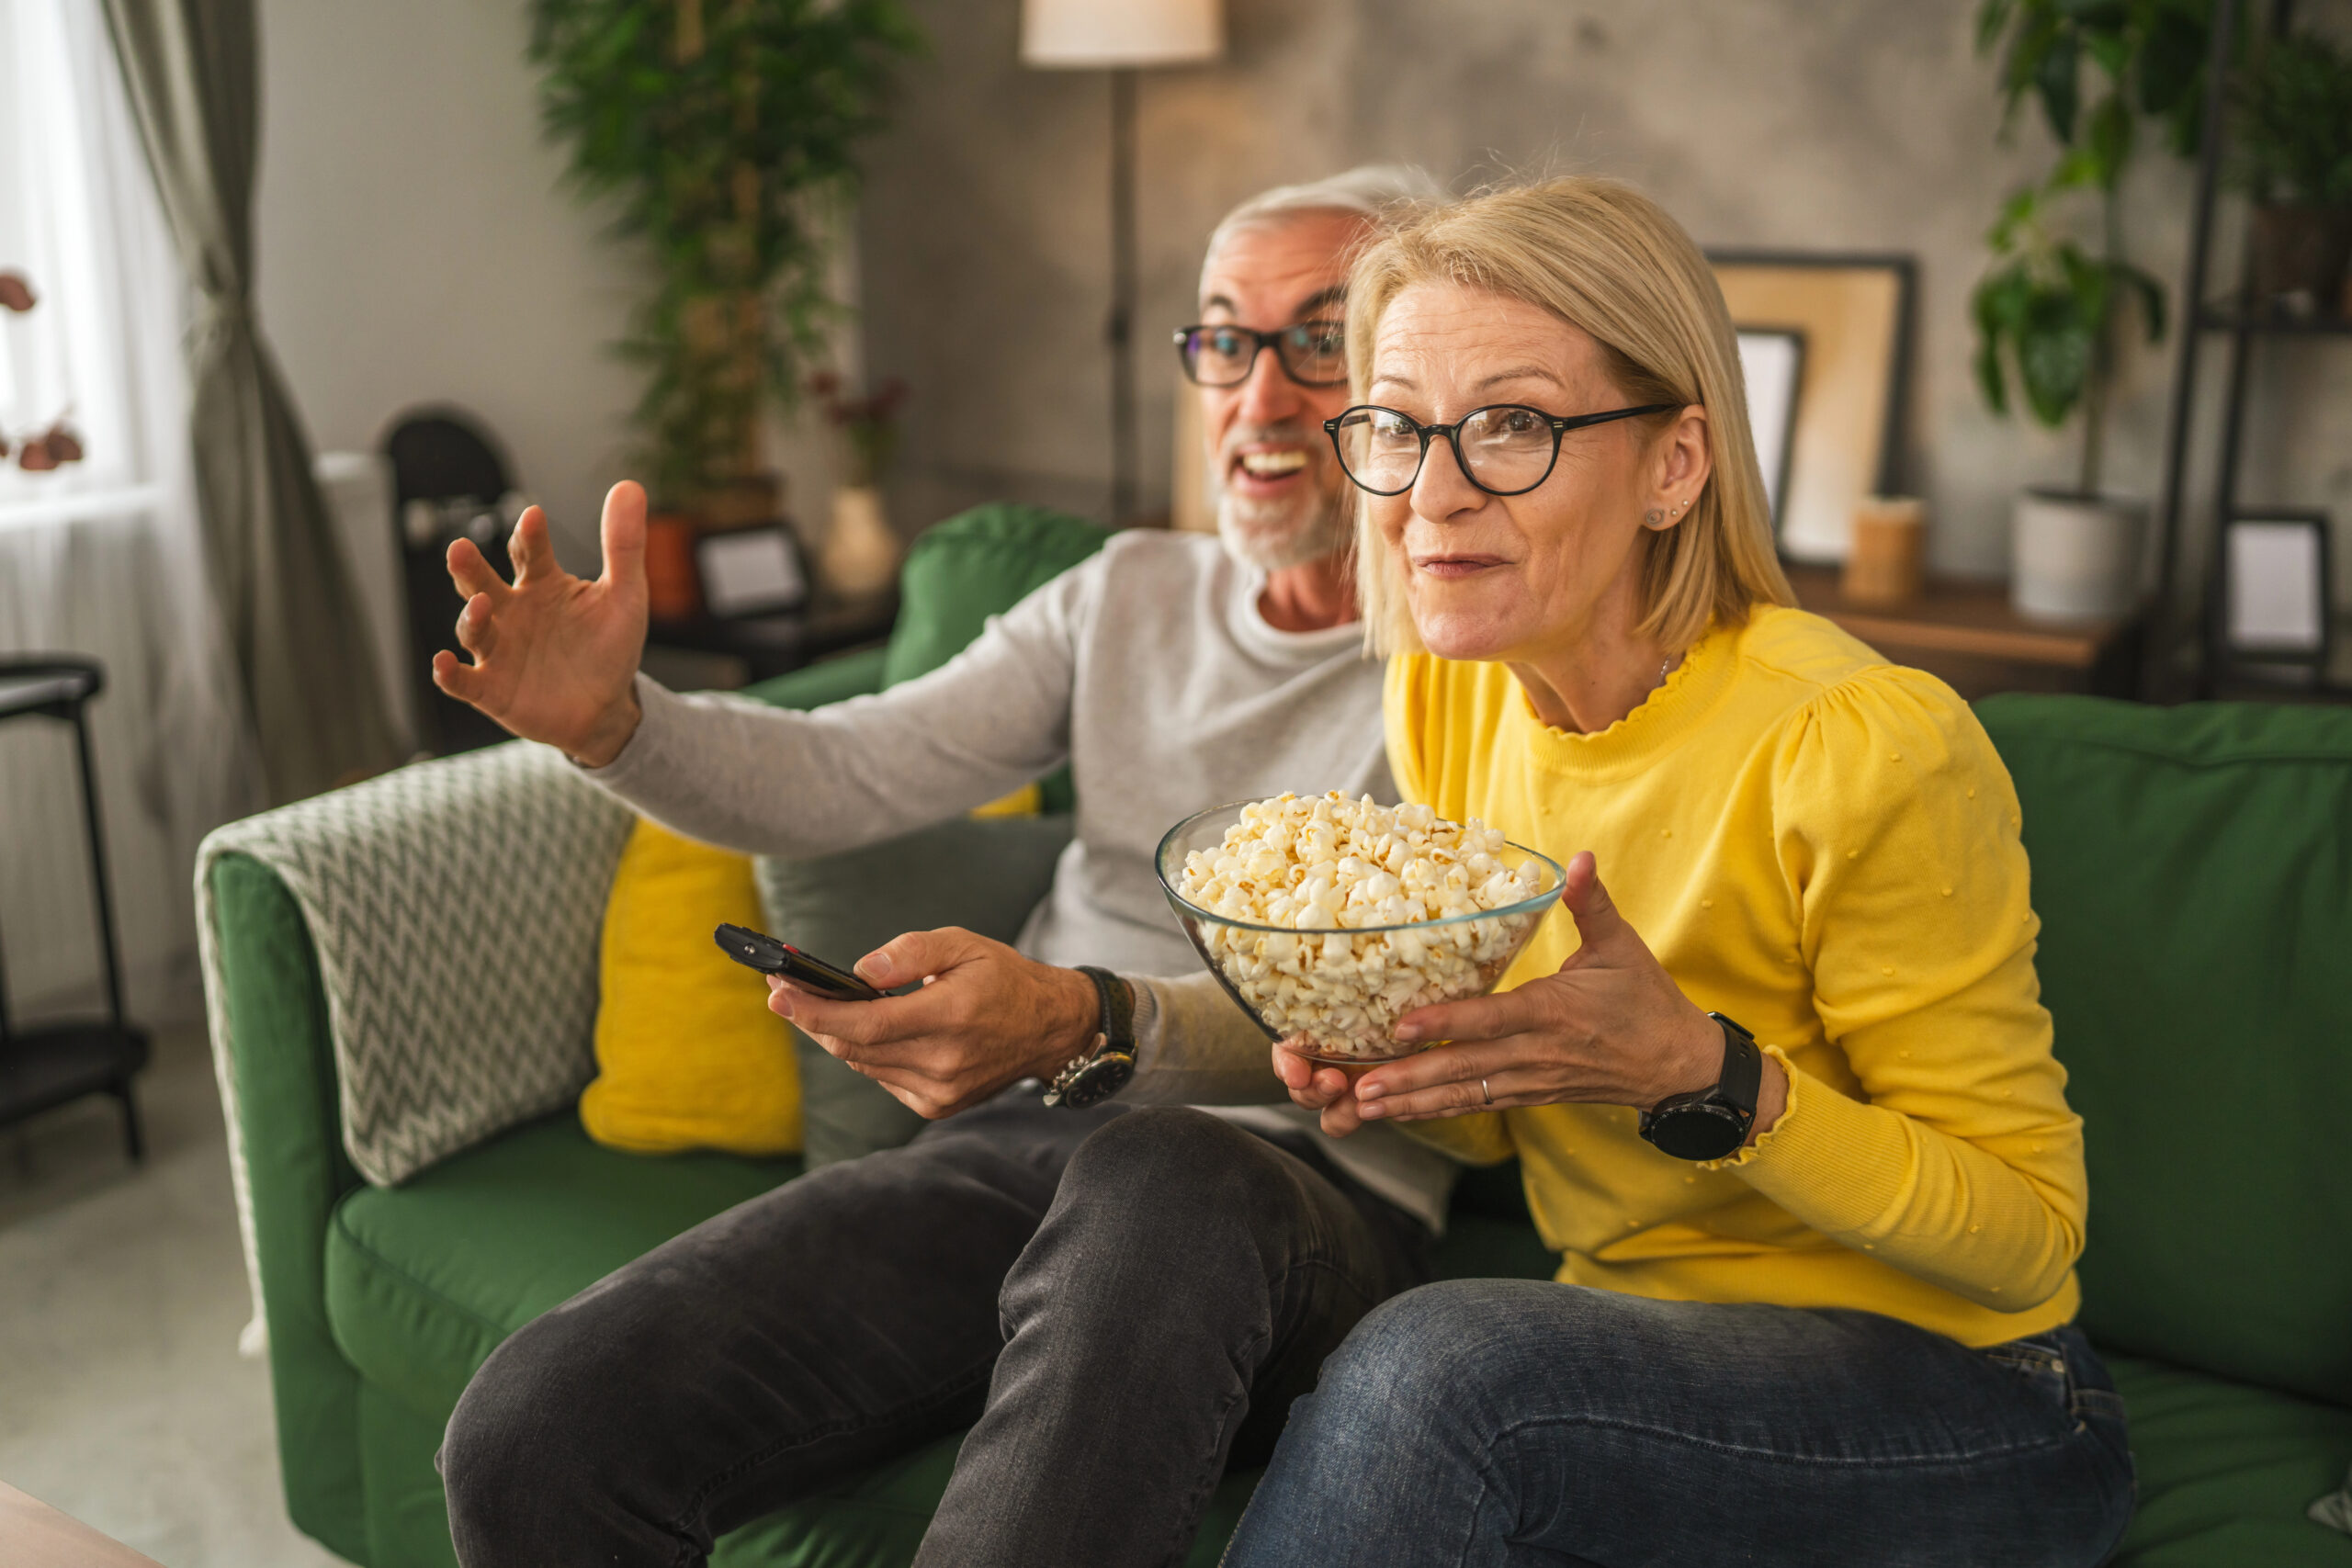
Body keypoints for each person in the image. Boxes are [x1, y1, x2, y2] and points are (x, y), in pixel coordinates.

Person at [430, 166, 1464, 1568]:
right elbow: (851, 765)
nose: (1259, 398)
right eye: (1224, 339)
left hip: (1297, 1198)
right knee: (532, 1436)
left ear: (1419, 376)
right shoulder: (1126, 593)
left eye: (1320, 340)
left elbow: (1394, 1028)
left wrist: (1085, 1019)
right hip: (1020, 1150)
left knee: (1167, 1175)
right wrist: (621, 723)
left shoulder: (1477, 660)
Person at [1221, 177, 2133, 1566]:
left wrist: (1698, 1073)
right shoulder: (1454, 691)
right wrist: (1401, 1058)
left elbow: (2030, 1239)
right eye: (1398, 430)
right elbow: (1507, 1119)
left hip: (1973, 1397)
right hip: (1636, 1355)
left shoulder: (1858, 745)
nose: (1434, 496)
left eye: (1513, 426)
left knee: (1437, 1369)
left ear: (1675, 464)